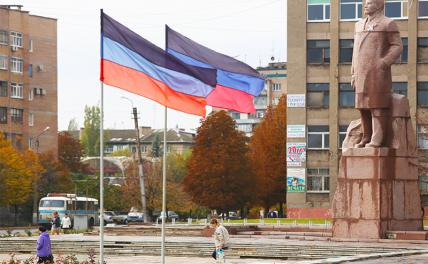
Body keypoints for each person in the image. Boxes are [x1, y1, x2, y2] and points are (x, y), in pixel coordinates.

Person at [351, 0, 403, 148]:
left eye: (370, 3)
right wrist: (353, 73)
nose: (366, 5)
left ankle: (377, 139)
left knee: (377, 105)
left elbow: (397, 46)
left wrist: (384, 62)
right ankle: (366, 137)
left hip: (378, 72)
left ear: (380, 5)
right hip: (360, 72)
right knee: (362, 106)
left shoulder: (388, 23)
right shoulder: (358, 25)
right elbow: (355, 51)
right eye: (365, 3)